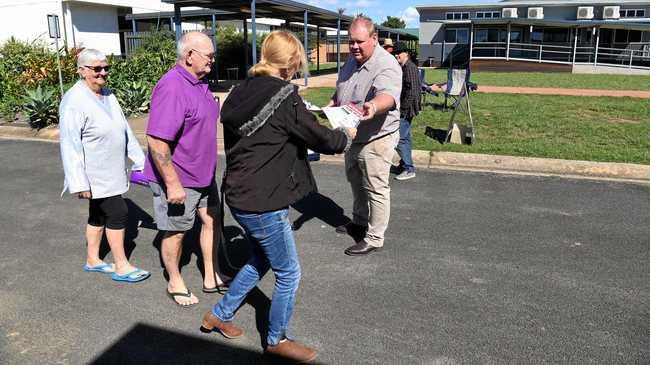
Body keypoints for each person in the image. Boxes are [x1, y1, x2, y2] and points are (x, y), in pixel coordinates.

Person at [200, 30, 355, 364]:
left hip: (239, 194)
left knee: (261, 259)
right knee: (289, 272)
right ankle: (276, 339)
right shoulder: (285, 94)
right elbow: (320, 138)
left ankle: (218, 314)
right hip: (263, 200)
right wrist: (345, 135)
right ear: (292, 62)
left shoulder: (240, 91)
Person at [143, 31, 227, 307]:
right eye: (209, 56)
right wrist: (172, 184)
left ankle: (210, 274)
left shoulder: (199, 82)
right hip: (180, 177)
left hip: (203, 173)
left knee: (212, 220)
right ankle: (174, 281)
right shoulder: (172, 86)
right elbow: (156, 140)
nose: (213, 61)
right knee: (177, 230)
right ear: (190, 55)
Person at [59, 48, 150, 283]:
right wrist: (79, 182)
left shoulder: (108, 94)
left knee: (98, 215)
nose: (102, 73)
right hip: (94, 174)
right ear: (81, 70)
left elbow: (124, 130)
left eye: (106, 68)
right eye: (96, 68)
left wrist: (141, 161)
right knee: (118, 212)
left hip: (111, 169)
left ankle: (93, 259)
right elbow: (70, 145)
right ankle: (121, 265)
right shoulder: (73, 101)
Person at [329, 16, 402, 256]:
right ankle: (359, 222)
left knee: (375, 188)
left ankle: (374, 237)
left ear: (374, 38)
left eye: (359, 42)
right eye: (351, 42)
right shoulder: (351, 60)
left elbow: (388, 96)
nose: (354, 47)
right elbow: (341, 90)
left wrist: (373, 106)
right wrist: (329, 106)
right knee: (355, 181)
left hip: (376, 137)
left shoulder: (387, 64)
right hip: (352, 134)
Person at [393, 42, 421, 181]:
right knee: (406, 138)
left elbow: (413, 92)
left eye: (399, 52)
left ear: (406, 54)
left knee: (400, 139)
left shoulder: (409, 68)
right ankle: (405, 163)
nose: (397, 54)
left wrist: (402, 110)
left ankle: (409, 169)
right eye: (395, 53)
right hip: (407, 109)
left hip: (407, 110)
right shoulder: (404, 67)